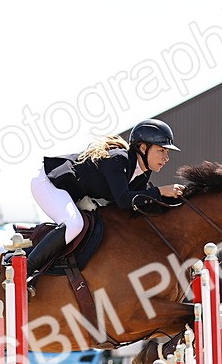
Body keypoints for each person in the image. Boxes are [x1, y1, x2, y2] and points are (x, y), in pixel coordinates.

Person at [26, 118, 185, 276]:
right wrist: (161, 191)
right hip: (48, 182)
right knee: (74, 224)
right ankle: (25, 269)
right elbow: (123, 200)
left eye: (167, 152)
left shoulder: (142, 173)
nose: (166, 157)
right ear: (143, 147)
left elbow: (134, 205)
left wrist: (175, 201)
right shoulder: (118, 159)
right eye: (161, 150)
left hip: (73, 192)